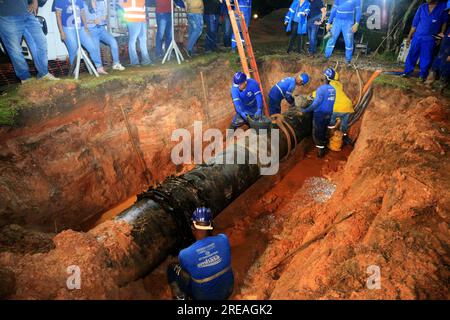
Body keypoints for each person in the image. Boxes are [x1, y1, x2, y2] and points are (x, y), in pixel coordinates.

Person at [167, 207, 234, 300]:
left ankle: (181, 298)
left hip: (204, 297)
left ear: (192, 227)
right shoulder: (223, 238)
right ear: (211, 225)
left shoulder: (185, 254)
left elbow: (187, 269)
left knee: (172, 268)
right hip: (228, 290)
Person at [0, 0, 60, 83]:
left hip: (27, 12)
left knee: (41, 42)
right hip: (7, 16)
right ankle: (25, 79)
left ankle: (43, 74)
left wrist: (35, 1)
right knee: (15, 51)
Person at [55, 0, 108, 74]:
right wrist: (61, 32)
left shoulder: (79, 0)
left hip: (81, 27)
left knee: (92, 46)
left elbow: (82, 13)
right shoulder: (60, 1)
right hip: (68, 28)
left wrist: (86, 27)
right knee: (73, 49)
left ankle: (99, 68)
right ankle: (75, 71)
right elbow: (58, 15)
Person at [402, 0, 448, 81]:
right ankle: (407, 72)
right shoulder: (422, 7)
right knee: (412, 54)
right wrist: (409, 37)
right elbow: (414, 24)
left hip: (430, 38)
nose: (427, 0)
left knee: (426, 58)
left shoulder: (442, 7)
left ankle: (422, 75)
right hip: (417, 36)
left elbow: (444, 22)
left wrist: (441, 34)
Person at [301, 67, 336, 158]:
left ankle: (320, 152)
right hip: (329, 114)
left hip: (320, 114)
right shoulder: (333, 89)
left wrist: (305, 110)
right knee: (324, 130)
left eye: (323, 75)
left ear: (325, 77)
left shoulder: (321, 89)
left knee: (317, 132)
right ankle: (324, 143)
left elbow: (315, 104)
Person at [84, 0, 126, 71]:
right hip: (92, 30)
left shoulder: (101, 2)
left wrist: (101, 19)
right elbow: (82, 20)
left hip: (102, 29)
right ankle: (99, 68)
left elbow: (105, 16)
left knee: (113, 42)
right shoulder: (84, 4)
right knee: (96, 49)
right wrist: (92, 21)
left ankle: (116, 64)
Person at [324, 0, 361, 66]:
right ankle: (327, 57)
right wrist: (329, 23)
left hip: (348, 22)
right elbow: (334, 9)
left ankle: (348, 61)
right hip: (337, 21)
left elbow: (358, 11)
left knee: (349, 42)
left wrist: (357, 23)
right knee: (331, 39)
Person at [325, 71, 354, 146]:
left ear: (328, 78)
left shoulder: (328, 86)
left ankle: (328, 135)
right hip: (347, 106)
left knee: (330, 122)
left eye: (325, 77)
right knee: (344, 124)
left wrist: (311, 96)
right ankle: (344, 137)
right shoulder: (338, 85)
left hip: (337, 108)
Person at [426, 1, 450, 90]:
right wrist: (442, 37)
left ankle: (440, 88)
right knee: (434, 66)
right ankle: (428, 83)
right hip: (442, 51)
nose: (449, 13)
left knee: (445, 70)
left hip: (448, 54)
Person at [120, 0, 152, 66]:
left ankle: (146, 60)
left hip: (141, 20)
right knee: (133, 40)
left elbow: (143, 7)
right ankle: (134, 62)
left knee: (142, 40)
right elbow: (121, 4)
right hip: (133, 20)